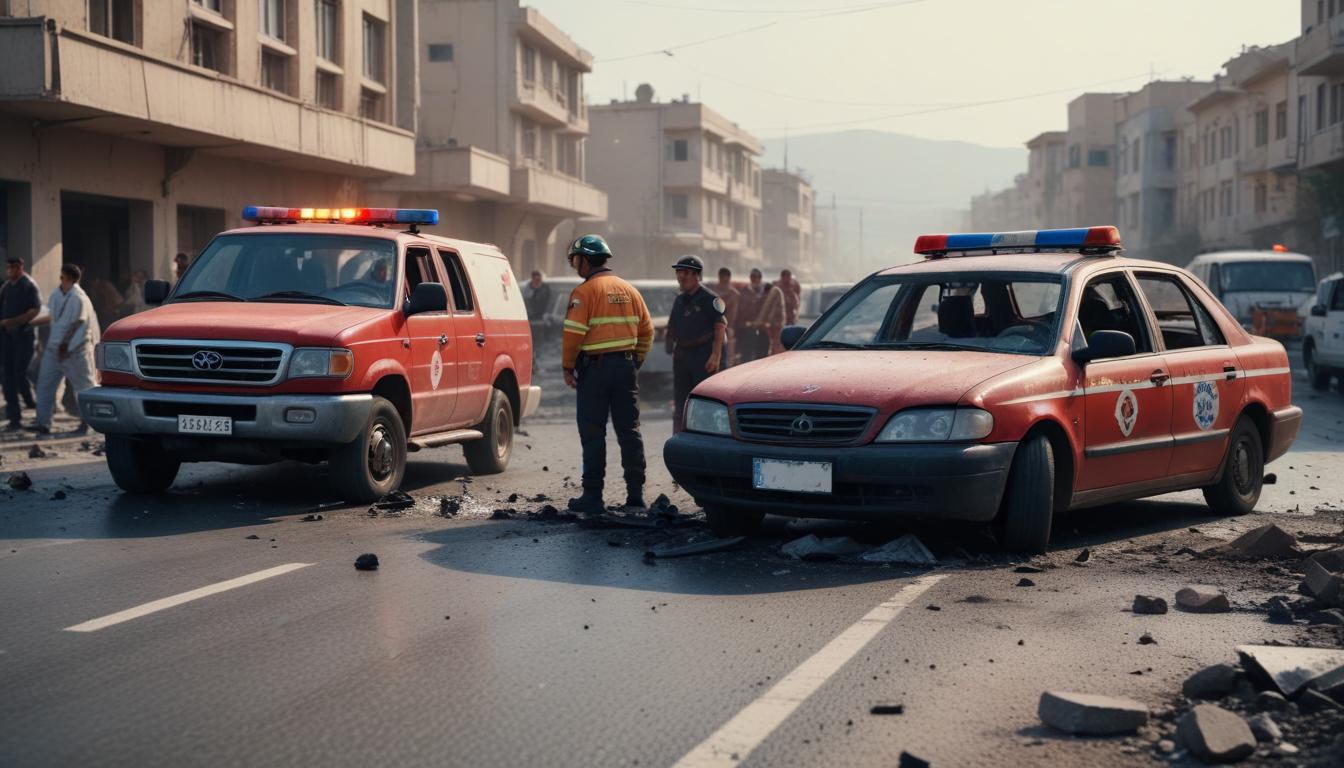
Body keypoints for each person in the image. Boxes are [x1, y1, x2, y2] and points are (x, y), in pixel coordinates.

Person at [561, 234, 654, 514]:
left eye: (575, 259)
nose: (575, 265)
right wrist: (634, 361)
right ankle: (636, 495)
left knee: (593, 432)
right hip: (626, 370)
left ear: (585, 260)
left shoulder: (584, 292)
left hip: (595, 371)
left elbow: (573, 335)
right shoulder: (629, 290)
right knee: (629, 431)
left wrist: (568, 367)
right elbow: (647, 332)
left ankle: (593, 496)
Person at [666, 256, 726, 433]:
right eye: (679, 272)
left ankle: (706, 437)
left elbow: (720, 326)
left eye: (685, 272)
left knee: (704, 401)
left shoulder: (710, 299)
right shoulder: (679, 299)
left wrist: (716, 356)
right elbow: (673, 325)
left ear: (696, 275)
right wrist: (670, 342)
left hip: (703, 355)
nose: (680, 276)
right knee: (681, 401)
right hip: (683, 356)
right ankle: (679, 438)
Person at [1, 256, 41, 430]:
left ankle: (31, 402)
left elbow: (34, 310)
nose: (11, 270)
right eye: (9, 267)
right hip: (7, 338)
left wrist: (13, 321)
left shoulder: (28, 285)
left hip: (23, 336)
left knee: (20, 373)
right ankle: (14, 418)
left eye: (15, 267)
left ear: (21, 267)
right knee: (7, 377)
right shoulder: (6, 287)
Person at [715, 267, 741, 370]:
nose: (725, 281)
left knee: (726, 360)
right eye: (723, 278)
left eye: (726, 279)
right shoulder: (712, 292)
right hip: (713, 330)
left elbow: (734, 315)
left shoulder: (734, 294)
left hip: (726, 329)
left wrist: (730, 328)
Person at [524, 270, 554, 348]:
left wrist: (547, 313)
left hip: (543, 319)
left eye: (539, 279)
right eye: (536, 280)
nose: (538, 282)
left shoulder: (545, 288)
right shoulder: (528, 288)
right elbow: (525, 302)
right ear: (533, 279)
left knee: (541, 342)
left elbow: (550, 302)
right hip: (530, 320)